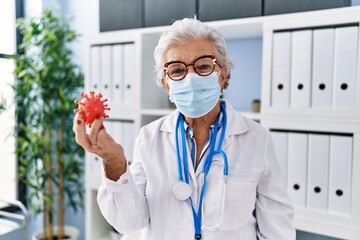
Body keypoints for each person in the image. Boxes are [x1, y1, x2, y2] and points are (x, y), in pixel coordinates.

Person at [73, 18, 295, 240]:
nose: (191, 78)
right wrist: (114, 162)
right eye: (177, 69)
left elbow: (277, 232)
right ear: (165, 82)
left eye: (204, 66)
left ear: (223, 74)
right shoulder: (149, 137)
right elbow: (130, 222)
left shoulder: (257, 140)